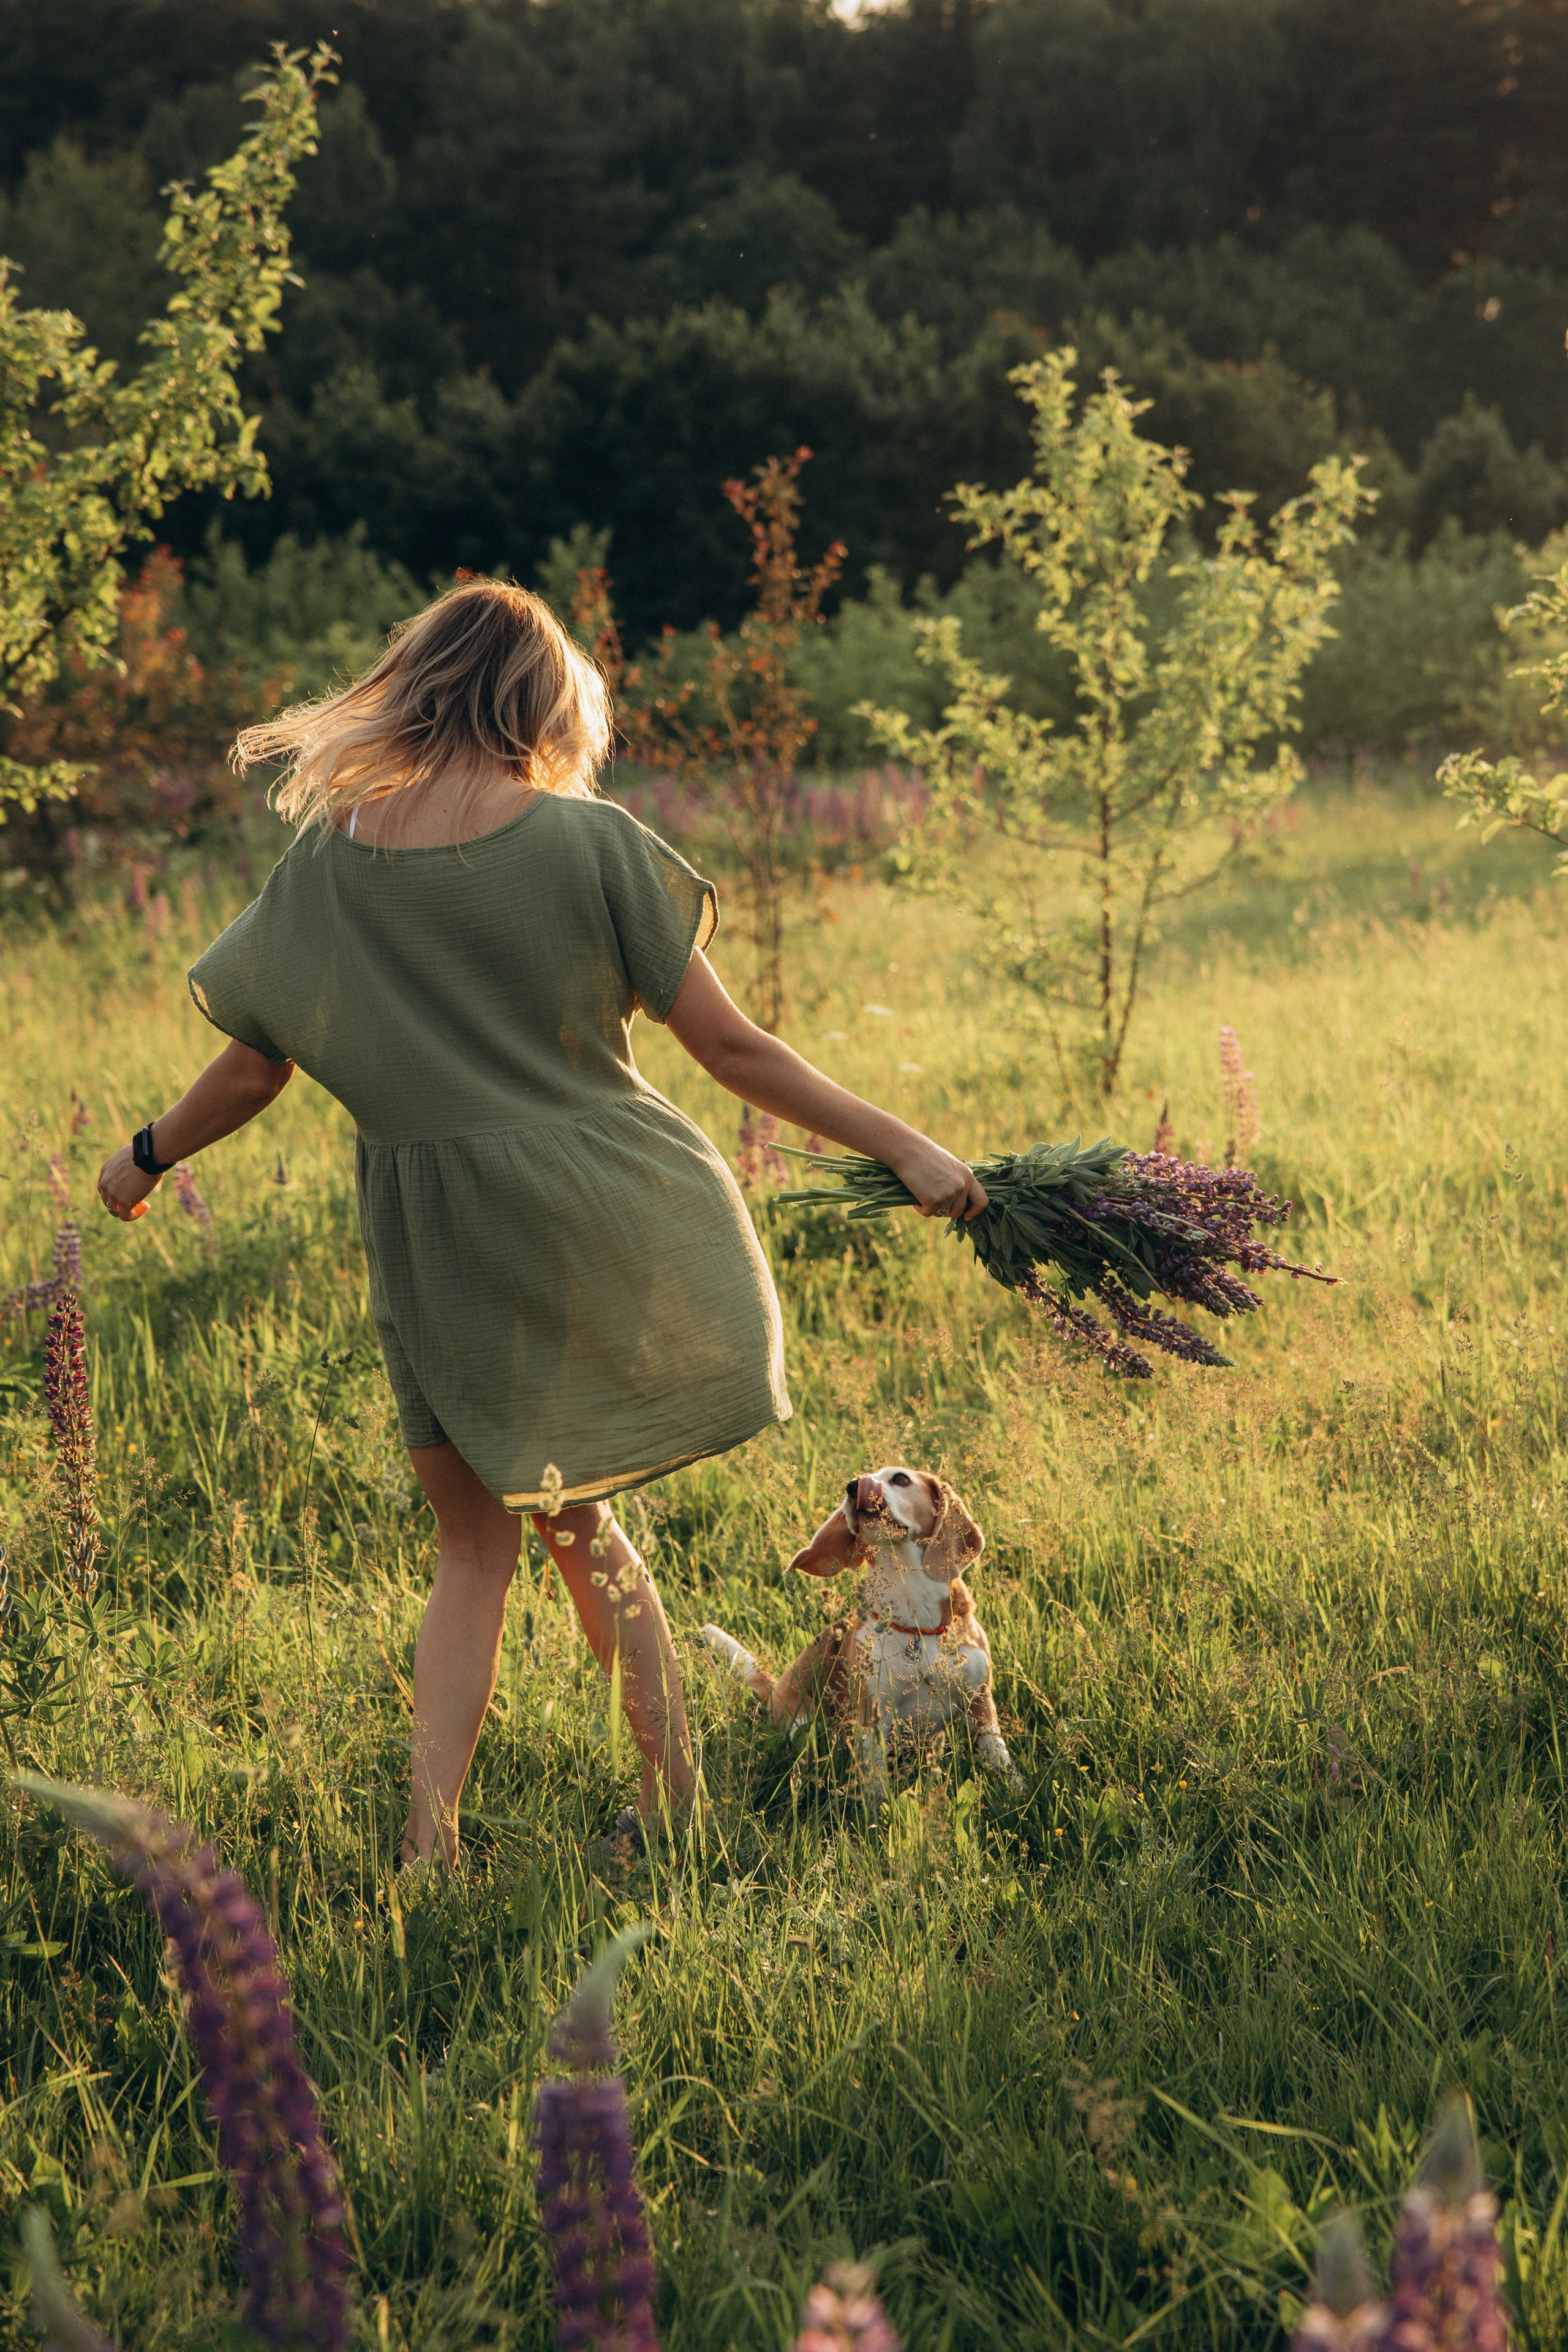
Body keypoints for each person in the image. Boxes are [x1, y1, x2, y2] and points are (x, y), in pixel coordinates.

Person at [96, 580, 987, 1869]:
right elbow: (730, 1048)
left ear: (412, 685)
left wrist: (142, 1159)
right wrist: (901, 1143)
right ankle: (672, 1806)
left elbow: (252, 1067)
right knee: (579, 1529)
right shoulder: (592, 842)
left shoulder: (331, 859)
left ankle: (429, 1846)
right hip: (592, 1208)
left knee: (472, 1548)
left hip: (439, 1234)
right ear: (544, 699)